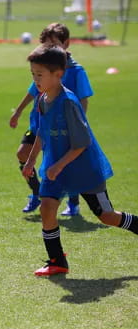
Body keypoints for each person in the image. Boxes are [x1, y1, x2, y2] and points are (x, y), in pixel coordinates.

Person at [22, 45, 138, 276]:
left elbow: (82, 143)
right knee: (47, 208)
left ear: (58, 74)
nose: (36, 79)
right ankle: (57, 261)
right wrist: (31, 160)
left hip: (84, 169)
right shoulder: (43, 100)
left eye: (40, 75)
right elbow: (42, 133)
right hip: (56, 169)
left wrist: (57, 165)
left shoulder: (68, 103)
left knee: (106, 216)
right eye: (33, 74)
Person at [10, 23, 93, 216]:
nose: (48, 50)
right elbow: (32, 92)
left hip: (62, 128)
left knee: (64, 165)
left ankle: (73, 202)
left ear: (66, 43)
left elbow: (83, 100)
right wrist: (18, 111)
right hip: (40, 124)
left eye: (53, 45)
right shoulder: (42, 67)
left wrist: (78, 125)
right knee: (23, 154)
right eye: (45, 45)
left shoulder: (75, 71)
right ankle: (37, 194)